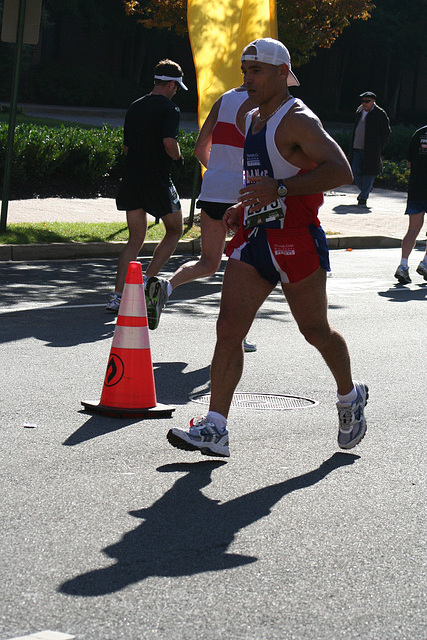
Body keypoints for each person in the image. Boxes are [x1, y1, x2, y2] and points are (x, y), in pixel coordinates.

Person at [167, 37, 368, 458]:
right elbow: (260, 176)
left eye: (256, 71)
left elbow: (342, 170)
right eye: (244, 71)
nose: (248, 79)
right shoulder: (254, 117)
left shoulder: (298, 120)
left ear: (282, 73)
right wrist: (246, 208)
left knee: (315, 330)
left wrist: (280, 188)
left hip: (296, 240)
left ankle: (350, 396)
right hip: (255, 238)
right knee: (229, 330)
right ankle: (215, 427)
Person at [144, 84, 257, 352]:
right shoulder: (259, 103)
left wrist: (219, 172)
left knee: (208, 262)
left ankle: (166, 286)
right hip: (242, 196)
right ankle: (236, 335)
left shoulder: (224, 99)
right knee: (247, 268)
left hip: (213, 191)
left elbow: (198, 149)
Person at [106, 59, 187, 313]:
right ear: (172, 84)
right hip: (157, 180)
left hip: (132, 179)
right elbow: (169, 143)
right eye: (176, 87)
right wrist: (179, 157)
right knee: (175, 230)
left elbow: (127, 147)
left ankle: (118, 296)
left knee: (135, 238)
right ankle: (144, 282)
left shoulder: (135, 106)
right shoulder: (170, 109)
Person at [394, 124, 427, 284]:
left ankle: (403, 265)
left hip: (416, 188)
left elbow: (409, 163)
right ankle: (425, 263)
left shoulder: (419, 133)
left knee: (413, 229)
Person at [349, 91, 391, 206]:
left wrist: (379, 146)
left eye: (367, 101)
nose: (364, 103)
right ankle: (366, 189)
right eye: (363, 101)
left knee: (369, 173)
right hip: (357, 147)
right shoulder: (359, 111)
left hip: (371, 150)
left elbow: (386, 132)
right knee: (355, 170)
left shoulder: (379, 114)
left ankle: (363, 197)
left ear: (373, 101)